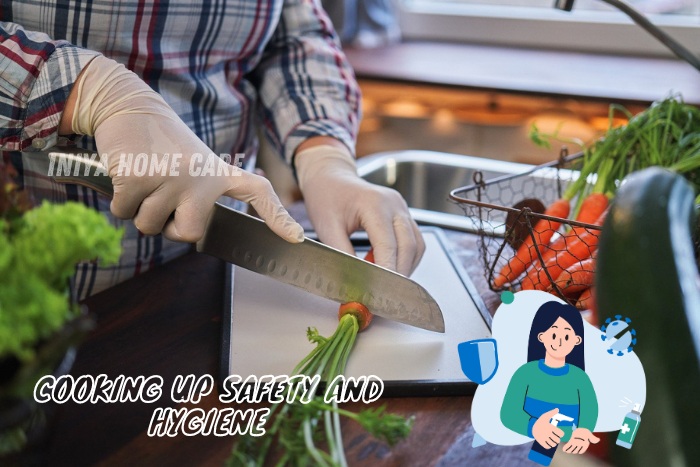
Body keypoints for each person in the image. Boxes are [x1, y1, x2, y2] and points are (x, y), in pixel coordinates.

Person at [0, 0, 424, 300]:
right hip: (48, 305)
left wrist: (325, 155)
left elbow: (293, 34)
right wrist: (93, 92)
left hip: (216, 276)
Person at [500, 301, 599, 465]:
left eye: (566, 336)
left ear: (576, 340)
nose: (560, 341)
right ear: (541, 336)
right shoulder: (524, 374)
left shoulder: (580, 378)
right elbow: (509, 413)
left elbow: (590, 409)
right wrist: (533, 426)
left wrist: (584, 430)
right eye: (554, 335)